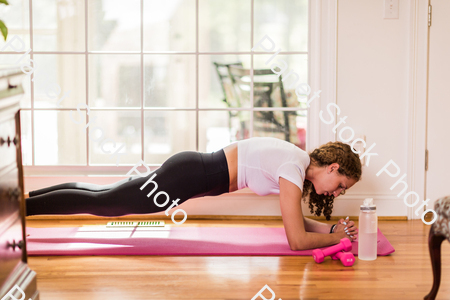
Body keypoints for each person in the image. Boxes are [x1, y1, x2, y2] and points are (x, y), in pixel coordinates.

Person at [25, 137, 362, 251]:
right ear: (332, 167)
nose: (339, 192)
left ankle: (25, 200)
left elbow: (295, 223)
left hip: (190, 172)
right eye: (342, 185)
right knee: (105, 203)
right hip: (189, 175)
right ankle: (21, 207)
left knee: (104, 196)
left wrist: (329, 230)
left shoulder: (296, 164)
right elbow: (296, 241)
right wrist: (337, 241)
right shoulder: (294, 166)